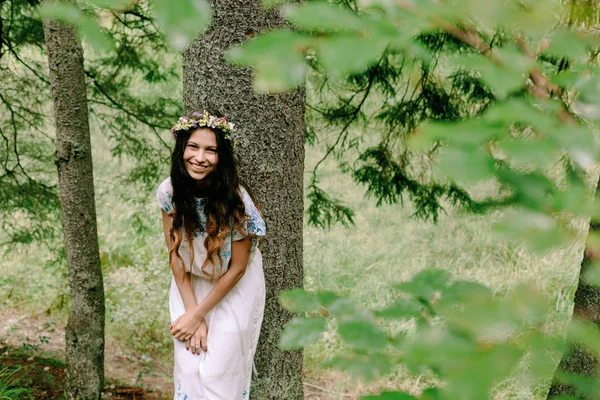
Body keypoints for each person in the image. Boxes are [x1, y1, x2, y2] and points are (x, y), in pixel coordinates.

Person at [155, 111, 266, 399]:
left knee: (218, 374)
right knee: (190, 370)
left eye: (211, 150)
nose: (200, 157)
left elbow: (239, 267)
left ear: (221, 157)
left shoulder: (236, 201)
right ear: (182, 149)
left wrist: (200, 314)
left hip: (233, 287)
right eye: (193, 147)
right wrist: (194, 315)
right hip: (189, 284)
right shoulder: (170, 192)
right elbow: (175, 255)